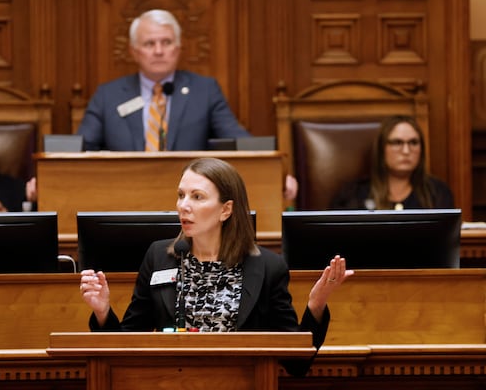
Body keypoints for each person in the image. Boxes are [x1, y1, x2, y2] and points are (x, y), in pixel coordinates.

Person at [79, 157, 353, 376]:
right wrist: (103, 312)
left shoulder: (267, 267)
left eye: (197, 197)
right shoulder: (159, 257)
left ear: (226, 210)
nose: (183, 206)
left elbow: (296, 365)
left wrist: (316, 306)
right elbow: (128, 346)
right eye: (181, 195)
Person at [77, 8, 298, 200]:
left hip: (191, 200)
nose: (158, 50)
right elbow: (80, 149)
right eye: (149, 43)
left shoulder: (205, 91)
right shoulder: (109, 95)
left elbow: (237, 141)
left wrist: (275, 172)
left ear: (179, 48)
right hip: (122, 196)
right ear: (134, 51)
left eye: (166, 42)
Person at [330, 115, 454, 210]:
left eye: (413, 143)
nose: (406, 151)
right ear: (382, 148)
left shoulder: (437, 193)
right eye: (397, 143)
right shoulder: (354, 194)